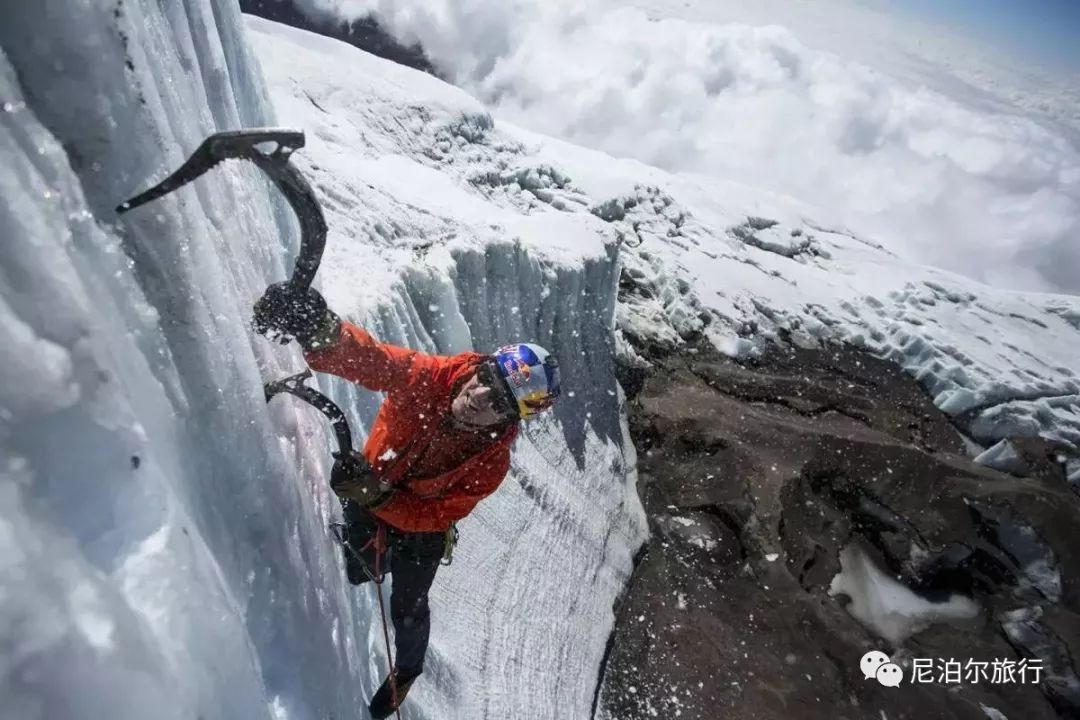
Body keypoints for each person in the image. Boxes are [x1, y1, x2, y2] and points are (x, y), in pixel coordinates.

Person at [253, 282, 561, 719]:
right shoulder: (433, 379)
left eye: (500, 402)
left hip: (419, 528)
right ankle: (369, 563)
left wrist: (378, 497)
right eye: (486, 380)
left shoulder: (491, 465)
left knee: (410, 609)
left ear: (512, 419)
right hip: (373, 488)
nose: (479, 397)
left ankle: (408, 670)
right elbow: (375, 361)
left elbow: (433, 515)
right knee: (363, 569)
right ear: (480, 367)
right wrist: (320, 330)